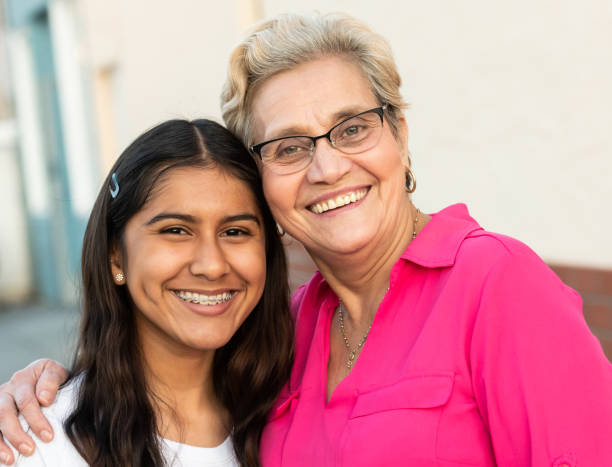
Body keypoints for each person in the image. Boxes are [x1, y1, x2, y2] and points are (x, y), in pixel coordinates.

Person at [2, 11, 612, 467]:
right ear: (261, 179)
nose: (327, 169)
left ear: (397, 133)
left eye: (351, 128)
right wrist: (48, 386)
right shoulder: (282, 332)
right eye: (289, 147)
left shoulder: (497, 284)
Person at [0, 119, 293, 466]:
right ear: (115, 256)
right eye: (176, 230)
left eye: (235, 231)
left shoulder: (289, 414)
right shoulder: (37, 447)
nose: (212, 266)